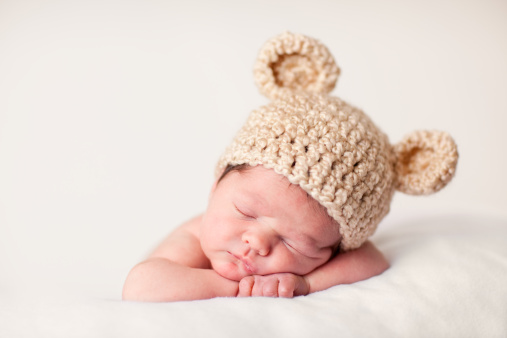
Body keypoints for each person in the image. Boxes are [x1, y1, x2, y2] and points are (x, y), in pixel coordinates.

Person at [122, 32, 458, 302]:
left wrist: (305, 283)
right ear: (215, 189)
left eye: (293, 243)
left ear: (332, 251)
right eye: (246, 212)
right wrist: (240, 288)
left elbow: (373, 259)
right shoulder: (196, 235)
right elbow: (142, 285)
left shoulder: (328, 258)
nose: (257, 241)